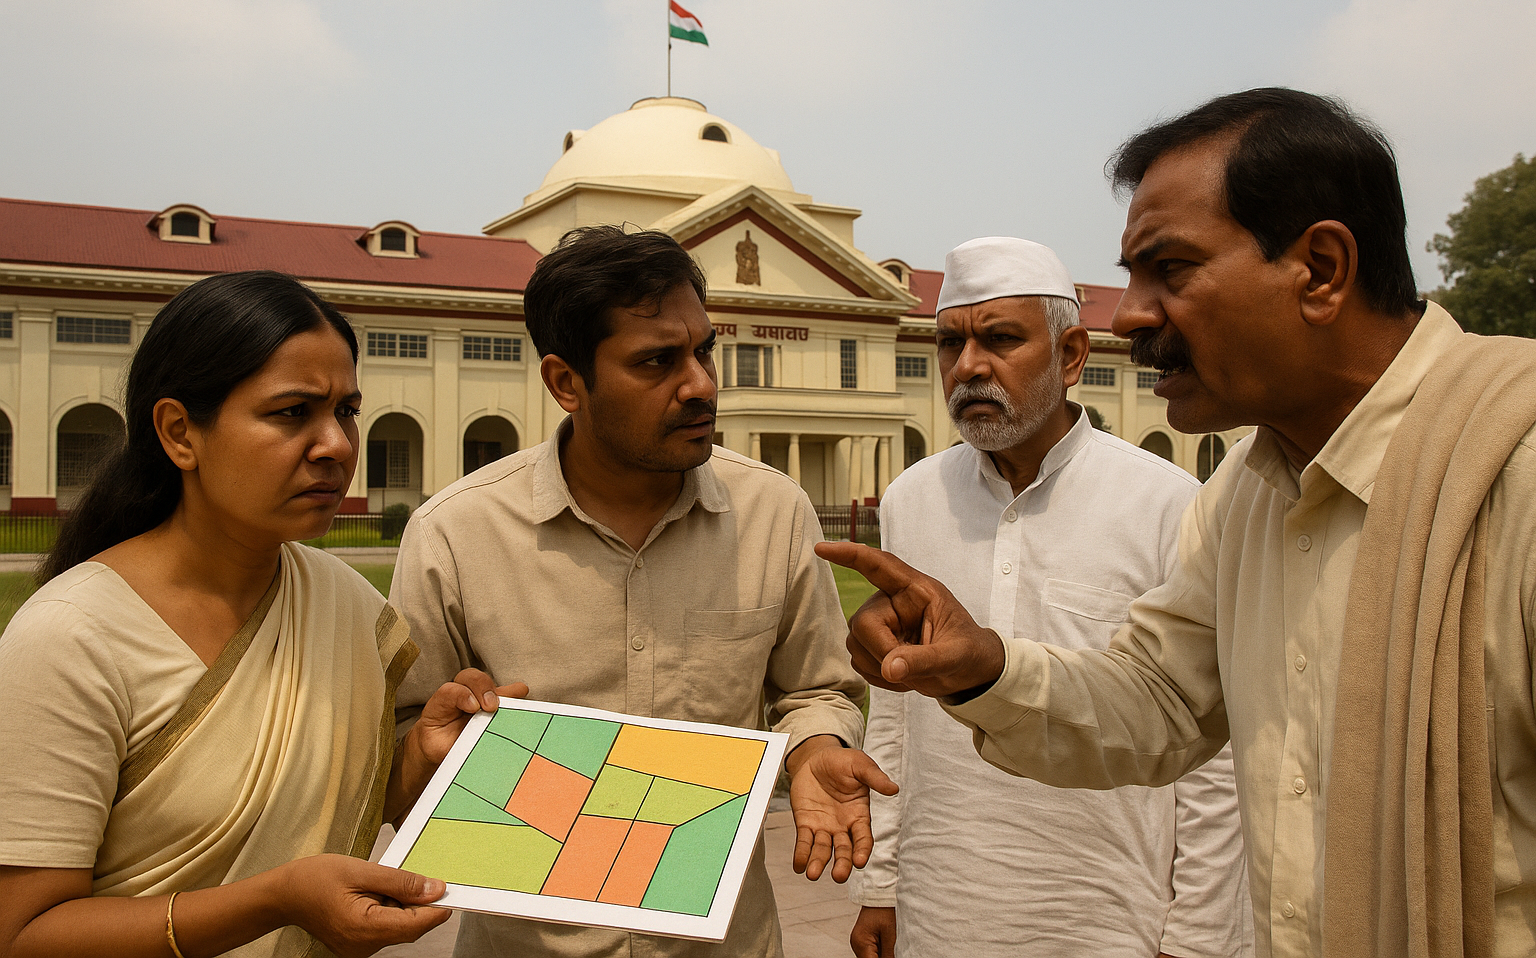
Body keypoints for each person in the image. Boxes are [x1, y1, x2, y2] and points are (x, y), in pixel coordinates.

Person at [821, 87, 1536, 958]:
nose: (1130, 315)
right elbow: (1158, 704)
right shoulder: (1250, 495)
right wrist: (986, 669)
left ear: (1320, 269)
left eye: (1171, 270)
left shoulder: (1511, 474)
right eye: (1129, 275)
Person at [391, 226, 885, 958]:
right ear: (566, 383)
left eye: (704, 350)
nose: (701, 385)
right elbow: (403, 761)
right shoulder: (456, 535)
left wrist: (816, 749)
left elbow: (815, 688)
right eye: (657, 361)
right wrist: (434, 754)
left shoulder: (772, 514)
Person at [0, 270, 517, 958]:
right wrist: (273, 900)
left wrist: (421, 755)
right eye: (292, 412)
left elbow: (353, 804)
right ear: (180, 432)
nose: (335, 444)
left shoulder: (348, 606)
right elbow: (24, 933)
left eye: (346, 411)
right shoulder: (70, 636)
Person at [847, 236, 1251, 958]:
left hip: (1111, 915)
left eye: (1001, 339)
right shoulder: (914, 499)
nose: (969, 367)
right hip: (943, 903)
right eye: (949, 344)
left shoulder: (1166, 503)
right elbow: (897, 711)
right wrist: (882, 882)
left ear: (1071, 355)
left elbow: (1212, 754)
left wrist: (1200, 936)